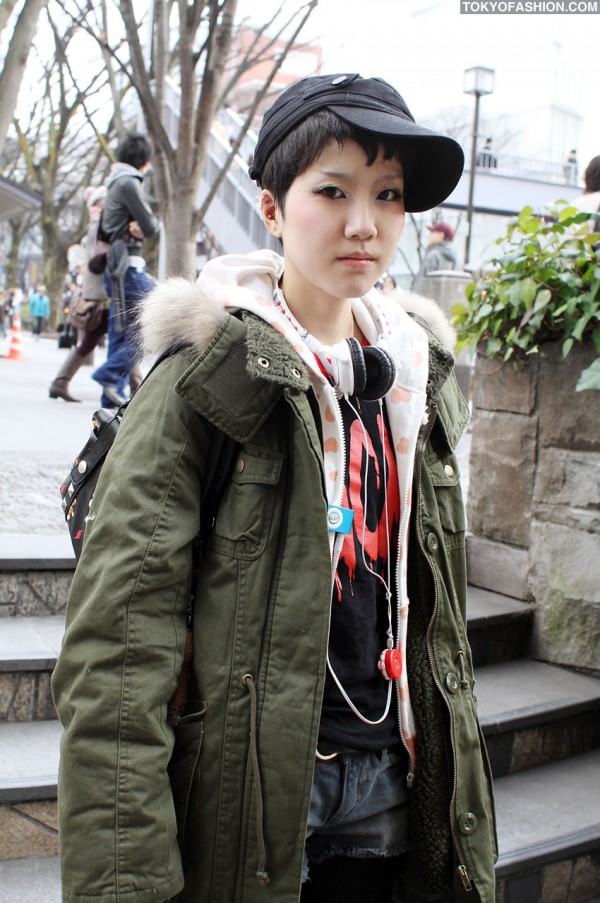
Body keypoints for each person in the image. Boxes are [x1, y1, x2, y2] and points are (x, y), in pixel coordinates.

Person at [52, 74, 497, 903]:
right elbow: (119, 652)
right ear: (270, 207)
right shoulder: (208, 379)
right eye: (332, 190)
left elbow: (439, 630)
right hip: (251, 801)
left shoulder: (418, 386)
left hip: (396, 786)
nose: (364, 223)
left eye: (388, 195)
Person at [91, 132, 158, 407]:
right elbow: (151, 225)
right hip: (128, 266)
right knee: (155, 317)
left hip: (115, 268)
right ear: (143, 160)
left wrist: (135, 227)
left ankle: (109, 400)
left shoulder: (113, 183)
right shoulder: (129, 183)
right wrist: (142, 227)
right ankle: (108, 374)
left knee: (120, 332)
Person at [49, 186, 110, 402]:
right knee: (123, 339)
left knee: (110, 340)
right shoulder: (99, 225)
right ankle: (133, 384)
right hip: (102, 295)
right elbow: (97, 258)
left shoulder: (96, 223)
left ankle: (60, 382)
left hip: (99, 294)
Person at [412, 221, 457, 291]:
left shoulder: (433, 256)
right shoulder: (455, 258)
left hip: (422, 300)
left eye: (432, 232)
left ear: (441, 235)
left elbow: (422, 285)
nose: (430, 236)